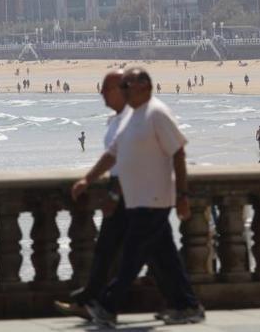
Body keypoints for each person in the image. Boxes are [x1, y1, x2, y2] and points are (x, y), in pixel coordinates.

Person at [71, 68, 204, 326]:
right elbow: (113, 153)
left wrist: (182, 195)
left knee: (131, 256)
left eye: (126, 85)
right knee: (166, 259)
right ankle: (187, 305)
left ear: (144, 86)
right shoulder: (133, 116)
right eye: (121, 86)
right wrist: (88, 179)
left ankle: (107, 306)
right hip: (136, 199)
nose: (122, 90)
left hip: (154, 199)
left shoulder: (157, 113)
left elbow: (178, 153)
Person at [55, 70, 137, 319]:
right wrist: (88, 179)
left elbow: (128, 161)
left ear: (121, 90)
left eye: (105, 88)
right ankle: (92, 300)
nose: (101, 92)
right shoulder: (117, 120)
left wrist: (113, 196)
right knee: (108, 249)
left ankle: (98, 301)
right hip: (125, 190)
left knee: (141, 255)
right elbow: (112, 156)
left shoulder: (132, 120)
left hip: (136, 194)